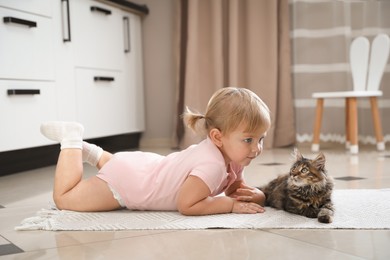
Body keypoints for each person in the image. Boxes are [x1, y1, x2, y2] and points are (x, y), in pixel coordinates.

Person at [40, 87, 271, 215]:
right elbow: (188, 204)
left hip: (141, 168)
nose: (257, 148)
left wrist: (258, 196)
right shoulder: (211, 166)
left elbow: (233, 188)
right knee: (65, 198)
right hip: (129, 185)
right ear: (217, 137)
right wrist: (230, 206)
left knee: (118, 166)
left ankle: (92, 153)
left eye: (260, 139)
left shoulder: (234, 156)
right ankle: (72, 140)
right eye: (248, 140)